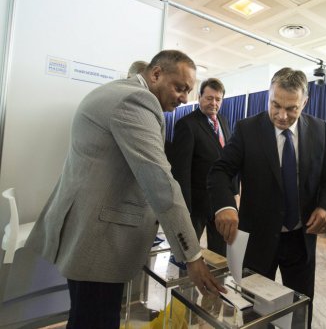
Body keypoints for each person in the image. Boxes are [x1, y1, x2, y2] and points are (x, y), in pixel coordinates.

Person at [25, 50, 225, 329]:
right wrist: (192, 255)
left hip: (87, 232)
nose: (184, 98)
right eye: (180, 88)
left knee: (85, 318)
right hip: (99, 241)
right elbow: (159, 181)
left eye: (188, 91)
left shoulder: (118, 92)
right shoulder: (136, 100)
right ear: (155, 74)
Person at [207, 67, 326, 326]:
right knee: (254, 314)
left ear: (305, 102)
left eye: (291, 108)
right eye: (275, 105)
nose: (282, 115)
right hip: (258, 240)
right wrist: (225, 205)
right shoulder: (248, 129)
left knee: (300, 312)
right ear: (268, 96)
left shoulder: (319, 130)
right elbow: (220, 171)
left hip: (301, 241)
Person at [171, 78, 237, 256]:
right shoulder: (187, 125)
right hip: (196, 206)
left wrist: (234, 193)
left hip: (220, 203)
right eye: (209, 98)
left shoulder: (223, 121)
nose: (213, 103)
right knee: (187, 254)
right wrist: (183, 208)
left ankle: (217, 283)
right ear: (199, 97)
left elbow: (229, 160)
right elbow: (181, 171)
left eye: (218, 99)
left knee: (220, 252)